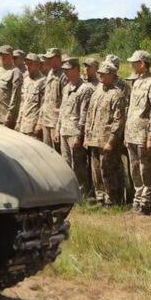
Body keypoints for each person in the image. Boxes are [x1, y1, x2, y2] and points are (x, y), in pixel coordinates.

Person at [125, 50, 151, 214]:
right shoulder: (137, 82)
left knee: (145, 168)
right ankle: (138, 198)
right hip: (132, 132)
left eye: (134, 63)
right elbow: (132, 109)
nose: (132, 65)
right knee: (134, 168)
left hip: (143, 134)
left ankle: (148, 201)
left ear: (142, 64)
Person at [86, 60, 127, 205]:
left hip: (107, 140)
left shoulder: (117, 94)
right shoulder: (97, 92)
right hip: (94, 139)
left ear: (112, 75)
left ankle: (113, 199)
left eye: (103, 74)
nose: (100, 76)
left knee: (109, 170)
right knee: (96, 170)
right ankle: (100, 197)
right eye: (99, 73)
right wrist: (87, 136)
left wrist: (111, 141)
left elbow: (118, 121)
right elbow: (90, 114)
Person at [58, 57, 93, 197]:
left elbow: (84, 114)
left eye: (68, 70)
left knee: (78, 165)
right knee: (66, 163)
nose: (66, 73)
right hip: (64, 131)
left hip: (75, 132)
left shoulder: (85, 89)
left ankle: (82, 193)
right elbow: (62, 109)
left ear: (76, 70)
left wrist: (79, 135)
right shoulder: (67, 87)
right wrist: (58, 127)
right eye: (64, 70)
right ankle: (70, 192)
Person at [0, 45, 23, 128]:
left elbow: (16, 98)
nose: (3, 57)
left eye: (5, 55)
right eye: (1, 55)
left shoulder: (15, 72)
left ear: (11, 56)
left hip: (4, 117)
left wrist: (9, 117)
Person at [38, 48, 66, 147]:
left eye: (50, 58)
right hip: (46, 120)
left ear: (58, 58)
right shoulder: (50, 73)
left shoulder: (64, 75)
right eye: (47, 58)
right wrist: (40, 120)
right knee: (47, 151)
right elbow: (45, 98)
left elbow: (65, 102)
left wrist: (58, 126)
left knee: (57, 154)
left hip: (55, 122)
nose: (47, 61)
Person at [17, 53, 46, 136]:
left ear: (37, 65)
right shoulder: (26, 80)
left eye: (30, 64)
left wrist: (39, 124)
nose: (28, 66)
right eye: (26, 64)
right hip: (23, 124)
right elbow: (22, 103)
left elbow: (43, 106)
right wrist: (18, 121)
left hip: (33, 126)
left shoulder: (43, 81)